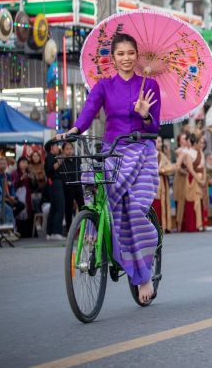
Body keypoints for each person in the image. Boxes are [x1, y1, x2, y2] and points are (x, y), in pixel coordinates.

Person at [61, 32, 161, 303]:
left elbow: (156, 127)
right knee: (89, 177)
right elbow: (88, 111)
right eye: (121, 54)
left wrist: (145, 115)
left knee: (135, 208)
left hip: (141, 151)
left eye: (131, 53)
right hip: (112, 150)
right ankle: (92, 227)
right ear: (113, 58)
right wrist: (72, 131)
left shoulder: (149, 84)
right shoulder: (103, 86)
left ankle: (143, 276)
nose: (126, 58)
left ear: (137, 55)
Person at [60, 141, 83, 234]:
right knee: (68, 209)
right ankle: (69, 231)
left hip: (78, 185)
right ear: (63, 150)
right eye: (67, 149)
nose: (69, 151)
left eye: (70, 149)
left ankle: (84, 229)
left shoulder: (77, 159)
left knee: (82, 207)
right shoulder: (62, 161)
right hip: (68, 187)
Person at [43, 141, 65, 240]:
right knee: (60, 206)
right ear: (52, 147)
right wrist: (60, 160)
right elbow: (51, 168)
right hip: (55, 182)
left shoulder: (50, 157)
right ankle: (56, 232)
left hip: (54, 183)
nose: (58, 147)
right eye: (56, 146)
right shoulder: (51, 157)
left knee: (54, 208)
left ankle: (50, 232)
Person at [0, 156, 24, 239]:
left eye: (4, 163)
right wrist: (8, 197)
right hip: (1, 198)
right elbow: (0, 190)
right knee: (8, 209)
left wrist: (13, 196)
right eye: (1, 164)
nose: (3, 165)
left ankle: (10, 226)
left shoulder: (7, 175)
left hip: (9, 197)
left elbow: (12, 187)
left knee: (21, 205)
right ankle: (9, 230)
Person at [155, 135, 176, 232]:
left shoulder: (162, 155)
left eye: (160, 142)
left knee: (164, 203)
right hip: (153, 182)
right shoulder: (149, 154)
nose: (160, 144)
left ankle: (164, 226)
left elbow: (171, 167)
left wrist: (163, 170)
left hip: (163, 181)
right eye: (158, 141)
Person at [12, 156, 32, 237]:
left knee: (26, 213)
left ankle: (26, 233)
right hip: (18, 194)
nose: (24, 164)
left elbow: (33, 186)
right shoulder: (15, 173)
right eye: (22, 162)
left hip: (26, 195)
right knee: (19, 213)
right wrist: (20, 179)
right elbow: (13, 185)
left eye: (26, 163)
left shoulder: (29, 172)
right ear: (18, 163)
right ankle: (18, 231)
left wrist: (32, 179)